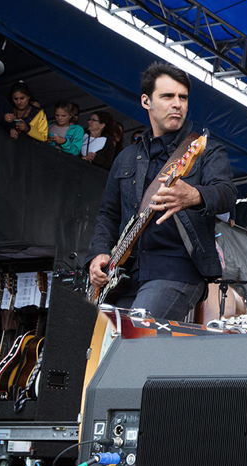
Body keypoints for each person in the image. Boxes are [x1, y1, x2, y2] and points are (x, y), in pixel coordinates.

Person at [86, 61, 236, 320]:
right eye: (167, 96)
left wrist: (194, 195)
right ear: (147, 101)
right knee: (99, 350)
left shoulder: (204, 150)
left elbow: (226, 193)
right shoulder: (126, 158)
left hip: (176, 270)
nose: (177, 103)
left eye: (183, 97)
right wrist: (99, 253)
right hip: (124, 275)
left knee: (132, 340)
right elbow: (108, 215)